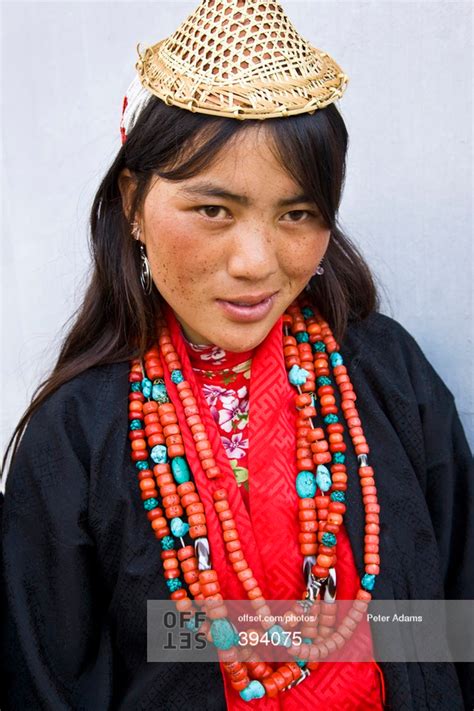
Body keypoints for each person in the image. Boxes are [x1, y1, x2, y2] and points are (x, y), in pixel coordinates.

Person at [1, 0, 472, 709]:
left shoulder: (385, 374)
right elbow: (46, 683)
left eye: (297, 213)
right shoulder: (76, 436)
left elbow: (450, 627)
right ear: (133, 202)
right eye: (213, 210)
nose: (256, 262)